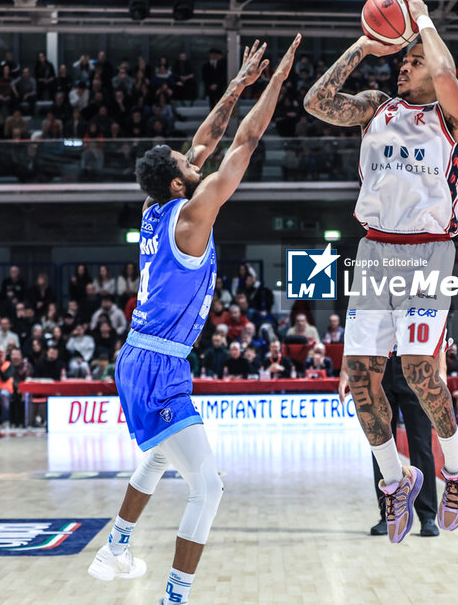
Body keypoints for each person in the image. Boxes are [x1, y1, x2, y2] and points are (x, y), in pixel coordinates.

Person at [87, 35, 300, 605]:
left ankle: (115, 547)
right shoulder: (192, 218)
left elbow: (206, 139)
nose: (194, 156)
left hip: (139, 355)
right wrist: (277, 83)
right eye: (187, 163)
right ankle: (174, 597)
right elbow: (244, 141)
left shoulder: (155, 207)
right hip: (158, 363)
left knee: (159, 455)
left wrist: (237, 85)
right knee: (208, 486)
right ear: (181, 184)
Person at [304, 0, 458, 543]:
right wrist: (363, 45)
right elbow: (316, 101)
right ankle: (394, 479)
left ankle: (456, 469)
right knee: (360, 377)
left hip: (428, 250)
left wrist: (422, 19)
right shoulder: (378, 107)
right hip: (375, 249)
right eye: (402, 60)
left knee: (421, 372)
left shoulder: (454, 114)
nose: (404, 66)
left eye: (413, 61)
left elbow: (445, 70)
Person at [362, 353, 440, 539]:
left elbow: (440, 338)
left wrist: (441, 371)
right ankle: (388, 514)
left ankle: (428, 517)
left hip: (416, 363)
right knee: (382, 446)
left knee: (421, 445)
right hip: (380, 364)